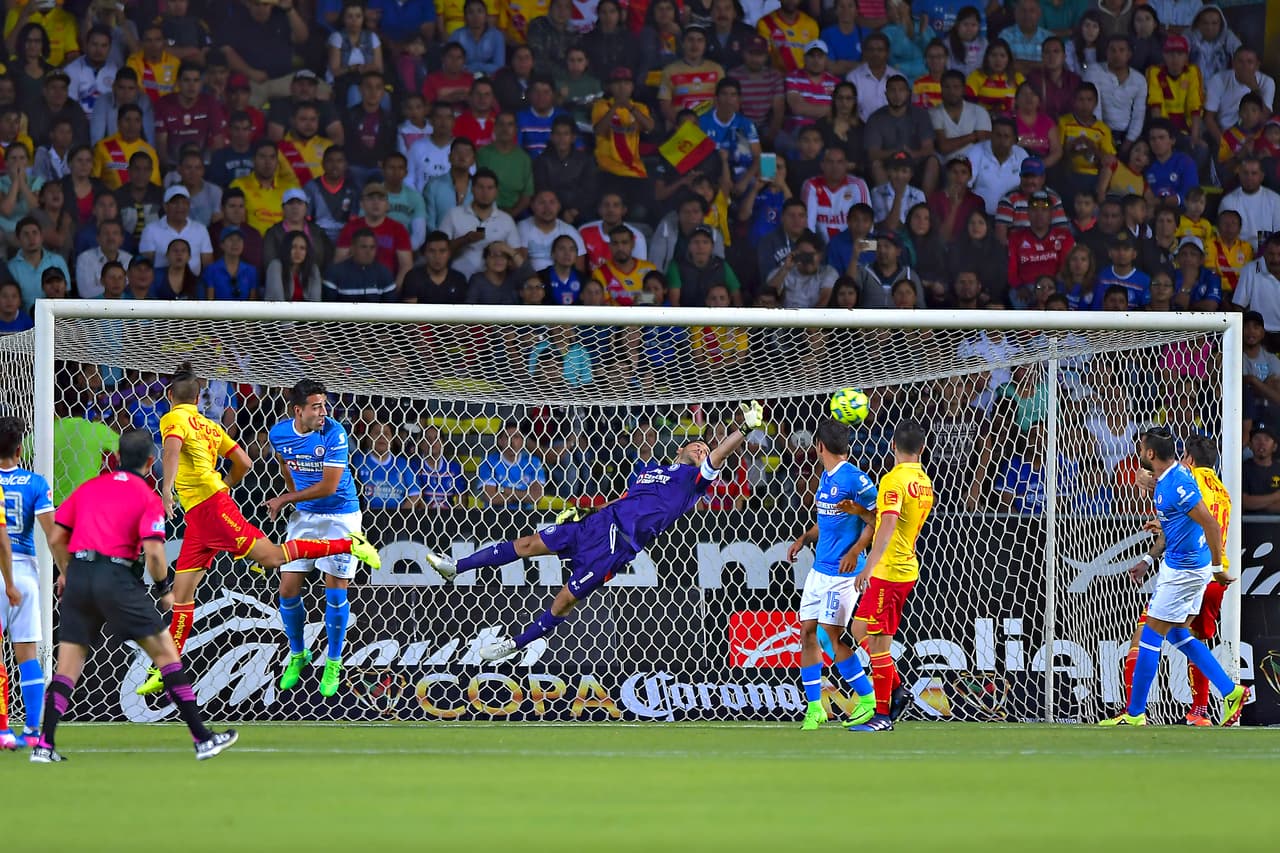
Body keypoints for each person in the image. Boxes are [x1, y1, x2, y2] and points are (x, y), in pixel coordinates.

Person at [423, 402, 765, 660]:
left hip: (617, 545)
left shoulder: (694, 482)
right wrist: (585, 510)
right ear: (679, 449)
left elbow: (719, 454)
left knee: (565, 599)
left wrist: (744, 429)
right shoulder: (651, 472)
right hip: (597, 523)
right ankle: (457, 567)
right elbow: (625, 500)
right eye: (695, 445)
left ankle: (515, 644)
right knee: (526, 544)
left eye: (704, 448)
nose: (701, 448)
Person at [134, 363, 380, 697]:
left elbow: (172, 449)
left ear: (169, 395)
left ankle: (346, 545)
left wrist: (166, 492)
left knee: (275, 558)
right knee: (183, 596)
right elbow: (245, 463)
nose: (323, 411)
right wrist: (225, 484)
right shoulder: (209, 425)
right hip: (203, 514)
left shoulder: (172, 419)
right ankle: (166, 667)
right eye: (316, 405)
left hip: (219, 510)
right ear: (198, 396)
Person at [35, 428, 238, 763]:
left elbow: (57, 535)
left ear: (114, 458)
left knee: (67, 665)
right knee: (166, 654)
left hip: (81, 575)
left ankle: (45, 745)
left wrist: (67, 572)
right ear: (150, 461)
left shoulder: (89, 487)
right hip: (116, 577)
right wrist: (163, 590)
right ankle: (202, 738)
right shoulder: (148, 497)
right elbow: (155, 555)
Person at [1100, 427, 1248, 727]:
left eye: (1142, 449)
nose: (1139, 454)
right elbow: (1171, 495)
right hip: (1186, 567)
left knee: (1150, 634)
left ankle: (1135, 713)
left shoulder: (1180, 483)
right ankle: (1230, 691)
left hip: (1185, 571)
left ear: (1150, 453)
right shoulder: (1176, 476)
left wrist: (1219, 568)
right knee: (1180, 635)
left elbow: (1211, 524)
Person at [266, 379, 363, 697]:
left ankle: (333, 662)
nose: (324, 411)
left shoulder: (334, 432)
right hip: (305, 517)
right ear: (299, 410)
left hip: (340, 516)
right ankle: (298, 654)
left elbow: (329, 487)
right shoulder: (278, 434)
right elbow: (285, 466)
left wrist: (285, 499)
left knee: (334, 591)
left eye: (324, 405)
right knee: (288, 588)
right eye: (316, 407)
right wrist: (293, 496)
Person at [846, 419, 934, 732]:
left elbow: (888, 524)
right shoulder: (923, 481)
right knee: (859, 629)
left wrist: (869, 566)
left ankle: (882, 716)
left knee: (880, 646)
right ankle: (896, 689)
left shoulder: (893, 480)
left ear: (892, 446)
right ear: (922, 449)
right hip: (902, 566)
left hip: (890, 571)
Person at [0, 417, 61, 748]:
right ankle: (32, 732)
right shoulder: (35, 483)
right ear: (21, 449)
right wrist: (65, 570)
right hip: (24, 573)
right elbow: (53, 534)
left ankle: (3, 730)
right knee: (27, 655)